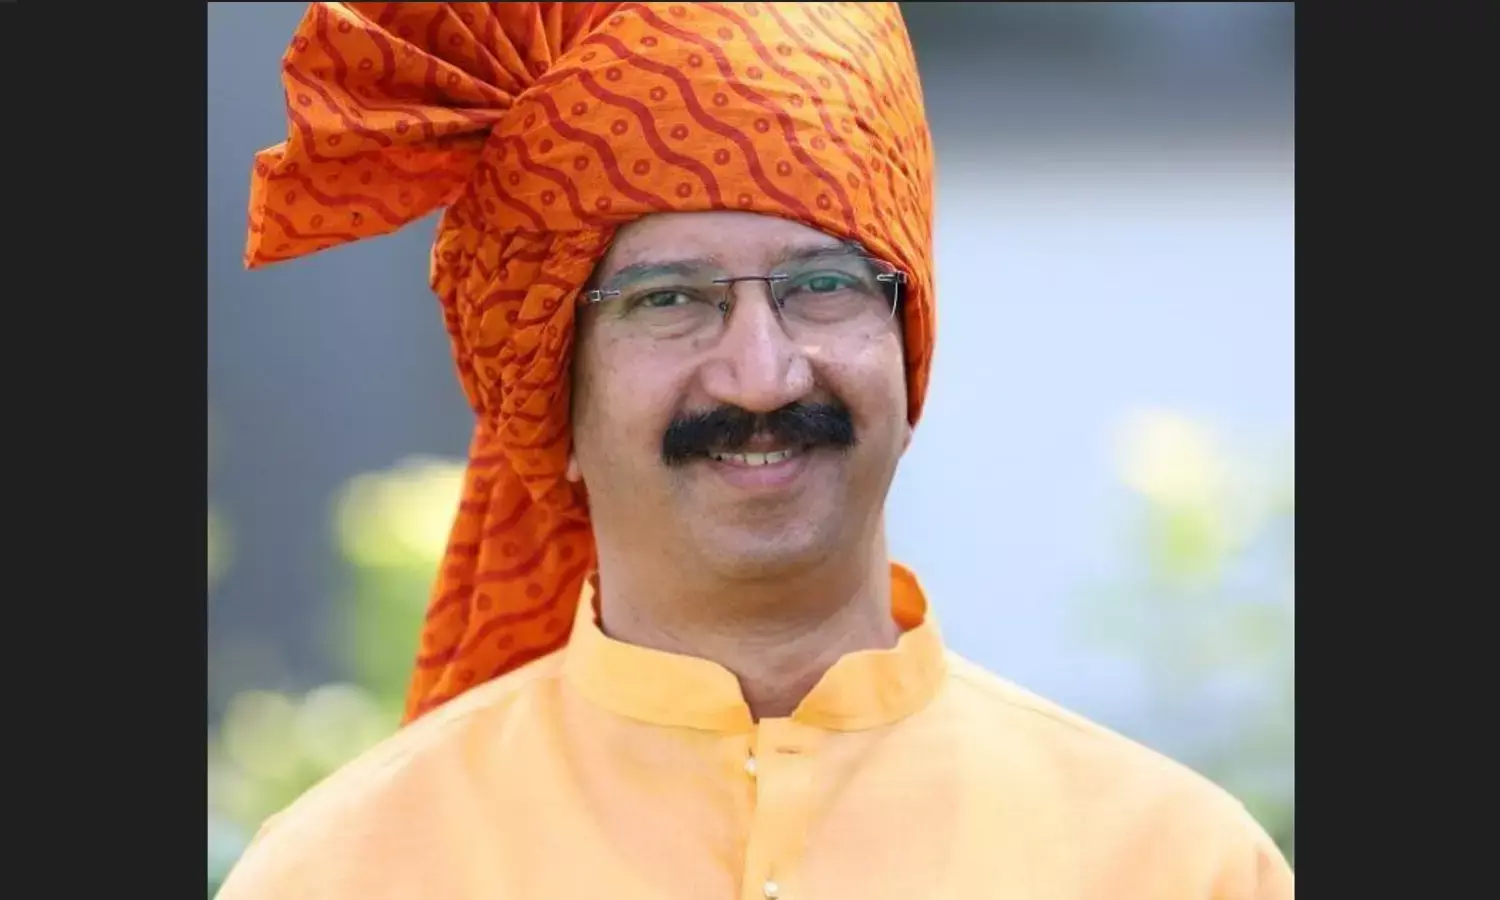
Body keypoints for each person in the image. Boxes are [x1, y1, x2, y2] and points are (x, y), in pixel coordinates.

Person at [216, 3, 1294, 898]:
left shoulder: (1173, 865)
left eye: (822, 286)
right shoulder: (346, 873)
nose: (762, 376)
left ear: (910, 353)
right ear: (553, 398)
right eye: (669, 299)